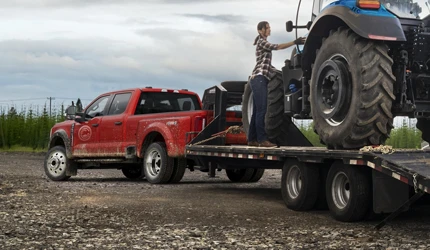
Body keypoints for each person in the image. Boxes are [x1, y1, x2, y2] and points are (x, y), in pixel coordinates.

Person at [247, 21, 305, 147]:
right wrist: (294, 42)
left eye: (269, 27)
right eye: (267, 28)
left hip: (260, 78)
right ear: (260, 30)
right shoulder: (262, 42)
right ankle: (262, 140)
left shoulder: (261, 42)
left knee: (257, 110)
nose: (269, 29)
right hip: (259, 78)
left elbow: (265, 64)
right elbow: (277, 47)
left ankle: (252, 139)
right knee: (262, 110)